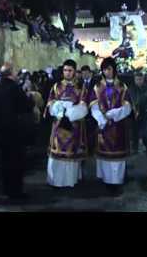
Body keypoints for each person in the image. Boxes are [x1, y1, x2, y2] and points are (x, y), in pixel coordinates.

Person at [0, 63, 35, 201]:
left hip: (0, 131)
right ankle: (16, 191)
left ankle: (7, 189)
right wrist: (29, 97)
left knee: (5, 162)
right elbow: (27, 107)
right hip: (15, 131)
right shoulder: (14, 88)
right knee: (16, 163)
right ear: (11, 73)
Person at [89, 57, 132, 193]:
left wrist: (115, 114)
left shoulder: (122, 87)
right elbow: (93, 105)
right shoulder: (97, 87)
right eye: (104, 69)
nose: (106, 72)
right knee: (105, 156)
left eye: (109, 69)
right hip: (103, 126)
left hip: (118, 126)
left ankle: (117, 181)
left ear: (114, 70)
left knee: (117, 157)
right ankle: (106, 180)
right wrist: (101, 119)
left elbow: (127, 106)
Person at [46, 59, 89, 188]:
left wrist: (70, 113)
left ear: (75, 71)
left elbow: (84, 105)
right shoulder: (56, 86)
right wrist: (58, 110)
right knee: (57, 153)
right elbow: (50, 102)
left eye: (70, 70)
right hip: (59, 125)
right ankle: (55, 180)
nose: (67, 73)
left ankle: (70, 181)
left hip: (73, 126)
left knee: (71, 153)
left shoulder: (81, 87)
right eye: (65, 70)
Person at [129, 71, 147, 152]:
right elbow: (133, 100)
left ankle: (146, 144)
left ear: (143, 79)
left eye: (140, 79)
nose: (139, 81)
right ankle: (135, 147)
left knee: (146, 130)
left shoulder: (146, 88)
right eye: (137, 79)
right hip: (135, 113)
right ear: (134, 80)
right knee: (135, 131)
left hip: (145, 113)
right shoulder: (132, 89)